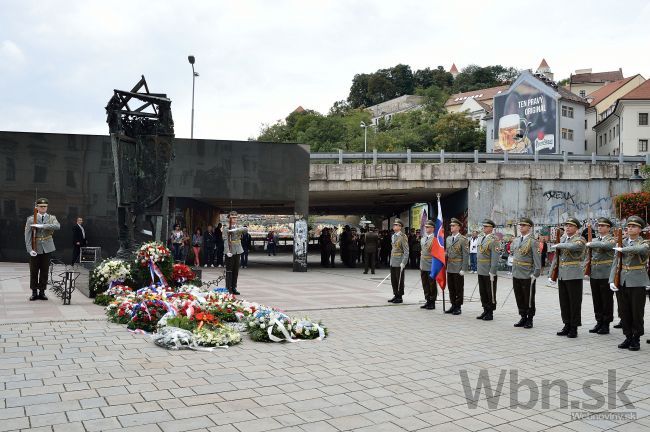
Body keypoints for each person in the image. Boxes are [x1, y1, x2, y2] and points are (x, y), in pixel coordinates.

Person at [609, 216, 649, 351]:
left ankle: (636, 338)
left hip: (637, 281)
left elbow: (641, 250)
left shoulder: (644, 243)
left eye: (633, 226)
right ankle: (627, 336)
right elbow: (616, 262)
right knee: (624, 311)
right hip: (622, 280)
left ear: (640, 230)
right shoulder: (622, 242)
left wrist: (622, 249)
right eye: (629, 226)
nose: (630, 228)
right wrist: (611, 280)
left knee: (636, 311)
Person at [549, 217, 586, 339]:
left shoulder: (580, 239)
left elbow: (575, 247)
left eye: (570, 225)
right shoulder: (563, 239)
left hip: (574, 274)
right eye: (566, 225)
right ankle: (566, 324)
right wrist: (551, 274)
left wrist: (561, 244)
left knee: (574, 302)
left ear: (576, 228)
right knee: (564, 302)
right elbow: (556, 258)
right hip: (562, 274)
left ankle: (574, 327)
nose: (567, 227)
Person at [24, 198, 60, 301]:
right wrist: (29, 249)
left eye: (45, 206)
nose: (43, 208)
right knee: (34, 271)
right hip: (35, 247)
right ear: (37, 207)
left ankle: (42, 291)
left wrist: (42, 226)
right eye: (41, 206)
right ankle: (34, 292)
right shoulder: (31, 219)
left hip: (47, 248)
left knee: (44, 270)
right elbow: (27, 235)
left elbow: (57, 226)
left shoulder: (51, 218)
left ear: (47, 207)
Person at [585, 217, 616, 335]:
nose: (600, 227)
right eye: (598, 225)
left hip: (606, 273)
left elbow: (606, 246)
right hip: (595, 273)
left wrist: (591, 243)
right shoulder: (594, 239)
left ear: (608, 228)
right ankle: (599, 321)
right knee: (596, 299)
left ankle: (606, 324)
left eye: (603, 225)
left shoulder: (612, 240)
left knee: (606, 299)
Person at [511, 218, 541, 329]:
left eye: (524, 225)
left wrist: (536, 274)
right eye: (520, 225)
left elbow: (537, 260)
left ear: (529, 227)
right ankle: (523, 316)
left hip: (527, 274)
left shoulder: (533, 241)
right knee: (519, 296)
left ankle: (530, 318)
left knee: (528, 297)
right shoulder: (517, 240)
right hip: (516, 272)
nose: (521, 227)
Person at [476, 219, 500, 321]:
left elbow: (495, 257)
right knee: (483, 291)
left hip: (488, 270)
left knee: (490, 291)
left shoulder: (494, 240)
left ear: (491, 228)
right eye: (483, 226)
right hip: (481, 269)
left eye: (486, 226)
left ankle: (490, 312)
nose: (484, 228)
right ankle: (485, 309)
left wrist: (492, 271)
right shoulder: (481, 238)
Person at [445, 218, 469, 315]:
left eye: (453, 226)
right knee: (451, 288)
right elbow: (447, 252)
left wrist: (464, 269)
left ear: (458, 227)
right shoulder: (448, 239)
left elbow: (466, 255)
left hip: (458, 266)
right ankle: (453, 304)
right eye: (451, 226)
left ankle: (458, 306)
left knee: (458, 288)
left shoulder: (463, 239)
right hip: (450, 266)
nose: (451, 227)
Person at [224, 211, 247, 295]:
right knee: (229, 270)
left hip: (238, 250)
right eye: (232, 217)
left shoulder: (237, 227)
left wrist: (236, 229)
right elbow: (226, 240)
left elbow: (245, 229)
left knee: (236, 270)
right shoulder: (226, 228)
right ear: (229, 218)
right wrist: (227, 251)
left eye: (235, 217)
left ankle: (234, 287)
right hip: (231, 250)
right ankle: (228, 287)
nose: (234, 219)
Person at [388, 219, 409, 304]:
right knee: (393, 279)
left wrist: (404, 262)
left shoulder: (403, 237)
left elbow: (406, 251)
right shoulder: (393, 236)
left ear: (400, 227)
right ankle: (395, 294)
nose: (394, 226)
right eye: (394, 225)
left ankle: (400, 296)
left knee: (399, 279)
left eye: (396, 225)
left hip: (400, 261)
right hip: (393, 261)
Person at [419, 220, 437, 309]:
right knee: (425, 283)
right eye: (425, 227)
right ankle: (427, 300)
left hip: (431, 264)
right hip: (423, 264)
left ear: (433, 228)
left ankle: (432, 301)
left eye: (428, 227)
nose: (426, 228)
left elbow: (437, 253)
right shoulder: (423, 238)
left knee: (432, 284)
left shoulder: (435, 239)